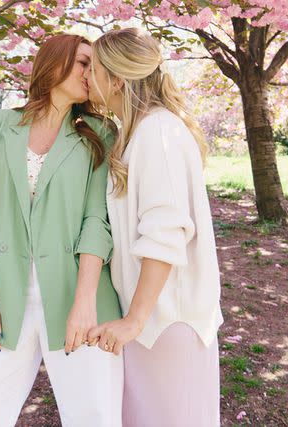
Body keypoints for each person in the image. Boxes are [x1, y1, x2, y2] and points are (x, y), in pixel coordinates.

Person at [0, 34, 123, 427]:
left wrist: (85, 301)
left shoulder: (100, 133)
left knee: (94, 418)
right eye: (82, 63)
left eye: (93, 66)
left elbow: (97, 221)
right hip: (6, 301)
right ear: (54, 64)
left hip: (80, 298)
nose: (91, 73)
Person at [85, 27, 225, 427]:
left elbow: (166, 233)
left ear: (116, 79)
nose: (86, 77)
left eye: (92, 67)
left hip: (166, 321)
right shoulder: (140, 132)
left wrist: (135, 319)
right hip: (153, 322)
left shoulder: (157, 132)